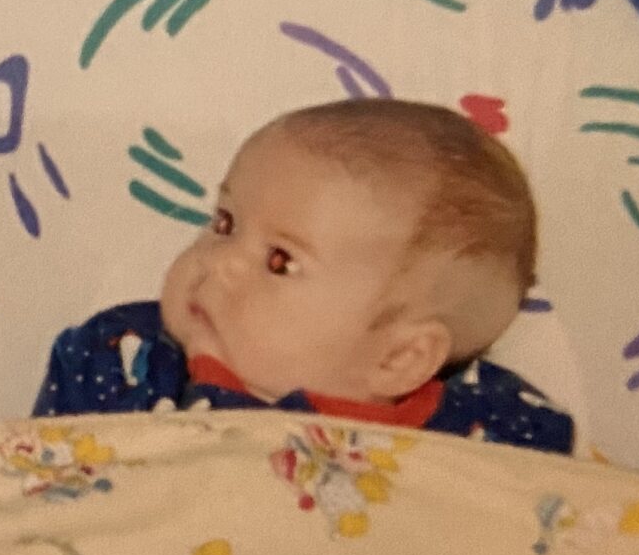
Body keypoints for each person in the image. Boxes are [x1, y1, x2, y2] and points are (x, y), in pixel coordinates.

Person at [34, 99, 574, 451]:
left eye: (280, 261)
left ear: (398, 358)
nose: (219, 261)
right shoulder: (121, 362)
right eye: (225, 222)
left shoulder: (495, 434)